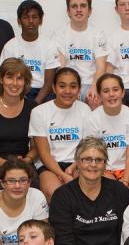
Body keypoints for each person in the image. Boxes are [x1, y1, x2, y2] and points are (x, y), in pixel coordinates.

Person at [29, 67, 92, 201]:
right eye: (62, 86)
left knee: (84, 193)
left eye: (73, 86)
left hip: (78, 163)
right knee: (57, 196)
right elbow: (43, 152)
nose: (67, 91)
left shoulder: (85, 110)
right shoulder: (39, 112)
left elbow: (87, 147)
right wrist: (62, 175)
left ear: (79, 89)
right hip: (49, 165)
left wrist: (73, 167)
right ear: (54, 87)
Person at [0, 58, 38, 187]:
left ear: (25, 82)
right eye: (9, 77)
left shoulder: (32, 107)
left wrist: (27, 160)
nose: (15, 83)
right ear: (1, 79)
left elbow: (36, 147)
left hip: (23, 163)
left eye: (20, 78)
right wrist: (7, 164)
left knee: (34, 186)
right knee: (5, 185)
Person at [86, 74, 129, 194]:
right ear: (100, 95)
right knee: (110, 192)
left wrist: (125, 181)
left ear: (123, 93)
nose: (111, 94)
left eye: (115, 90)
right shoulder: (93, 118)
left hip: (128, 169)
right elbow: (94, 155)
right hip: (103, 169)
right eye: (106, 91)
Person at [52, 0, 108, 109]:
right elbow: (61, 67)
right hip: (69, 84)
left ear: (90, 11)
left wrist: (94, 88)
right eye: (74, 6)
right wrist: (71, 88)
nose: (78, 10)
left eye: (83, 6)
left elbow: (101, 67)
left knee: (96, 102)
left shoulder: (98, 34)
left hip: (90, 84)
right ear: (68, 11)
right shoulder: (59, 34)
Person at [0, 0, 58, 104]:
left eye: (34, 17)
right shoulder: (10, 46)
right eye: (26, 17)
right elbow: (4, 78)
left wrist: (34, 104)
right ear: (19, 21)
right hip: (17, 90)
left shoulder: (50, 45)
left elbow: (49, 83)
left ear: (40, 20)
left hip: (43, 92)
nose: (30, 21)